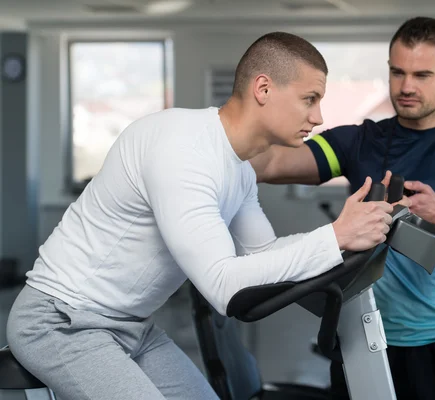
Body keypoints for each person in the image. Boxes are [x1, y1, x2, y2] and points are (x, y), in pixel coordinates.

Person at [6, 32, 397, 400]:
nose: (318, 117)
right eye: (309, 99)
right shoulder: (185, 150)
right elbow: (224, 285)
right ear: (264, 89)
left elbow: (262, 252)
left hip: (132, 327)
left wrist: (346, 235)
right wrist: (335, 236)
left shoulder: (240, 168)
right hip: (61, 321)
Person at [250, 17, 435, 400]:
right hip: (361, 341)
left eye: (422, 74)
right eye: (397, 72)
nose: (406, 87)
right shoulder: (359, 141)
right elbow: (266, 164)